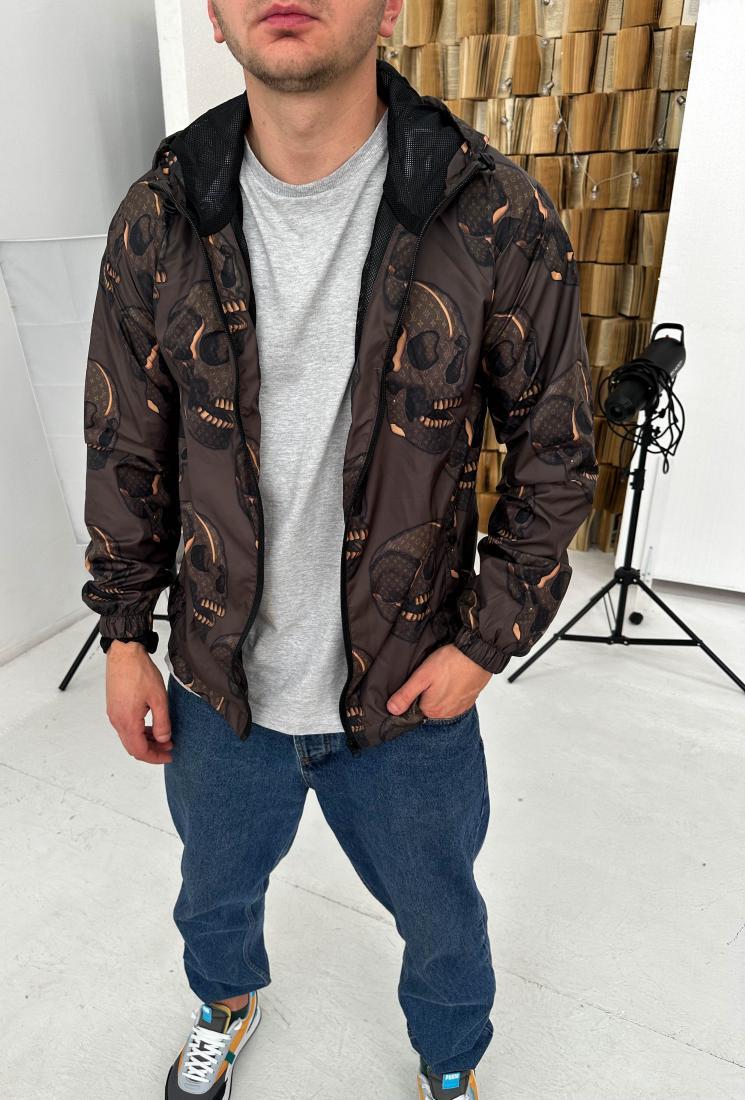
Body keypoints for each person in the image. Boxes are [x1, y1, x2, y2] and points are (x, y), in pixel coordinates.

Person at [81, 2, 599, 1097]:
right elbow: (126, 443)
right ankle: (225, 1001)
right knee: (212, 891)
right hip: (219, 687)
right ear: (213, 16)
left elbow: (557, 449)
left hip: (409, 691)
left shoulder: (489, 210)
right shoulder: (161, 215)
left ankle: (450, 1061)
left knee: (441, 914)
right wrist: (125, 634)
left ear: (393, 7)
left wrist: (484, 642)